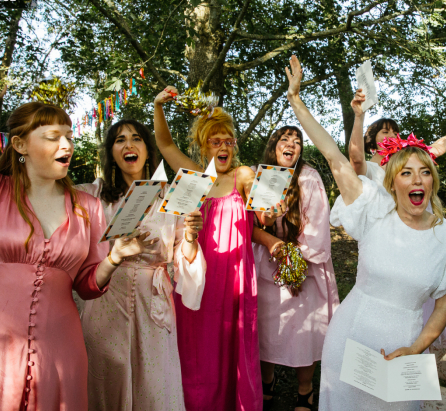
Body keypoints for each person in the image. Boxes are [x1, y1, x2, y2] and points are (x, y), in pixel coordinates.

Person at [284, 55, 446, 411]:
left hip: (408, 346)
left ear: (432, 181)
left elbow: (444, 302)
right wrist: (295, 100)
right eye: (407, 173)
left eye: (424, 172)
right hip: (352, 338)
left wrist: (416, 348)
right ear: (392, 182)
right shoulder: (373, 212)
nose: (416, 180)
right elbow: (333, 155)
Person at [0, 90, 151, 411]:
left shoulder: (88, 207)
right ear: (20, 145)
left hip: (60, 355)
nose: (67, 145)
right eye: (53, 137)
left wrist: (116, 256)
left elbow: (87, 284)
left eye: (69, 136)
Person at [76, 119, 205, 411]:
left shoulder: (171, 198)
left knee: (155, 385)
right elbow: (40, 180)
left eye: (136, 138)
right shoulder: (94, 195)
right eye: (120, 140)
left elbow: (184, 258)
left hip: (154, 305)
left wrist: (189, 236)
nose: (128, 144)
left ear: (148, 150)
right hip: (106, 300)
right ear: (111, 152)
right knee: (108, 379)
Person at [153, 87, 262, 410]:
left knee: (231, 347)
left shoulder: (242, 175)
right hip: (197, 276)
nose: (224, 146)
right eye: (216, 141)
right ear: (205, 145)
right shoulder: (194, 177)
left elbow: (263, 206)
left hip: (234, 278)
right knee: (197, 349)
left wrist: (270, 203)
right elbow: (165, 144)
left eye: (229, 140)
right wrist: (159, 105)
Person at [252, 126, 340, 411]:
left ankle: (305, 392)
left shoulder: (309, 178)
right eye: (284, 139)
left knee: (304, 333)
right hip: (264, 262)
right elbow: (250, 224)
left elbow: (316, 230)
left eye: (297, 141)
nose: (291, 144)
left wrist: (294, 265)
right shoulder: (257, 174)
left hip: (305, 264)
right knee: (266, 330)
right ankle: (268, 384)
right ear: (273, 145)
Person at [348, 88, 446, 186]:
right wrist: (359, 116)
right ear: (371, 141)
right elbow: (356, 159)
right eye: (385, 132)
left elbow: (438, 147)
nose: (392, 136)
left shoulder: (409, 159)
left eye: (395, 133)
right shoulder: (368, 169)